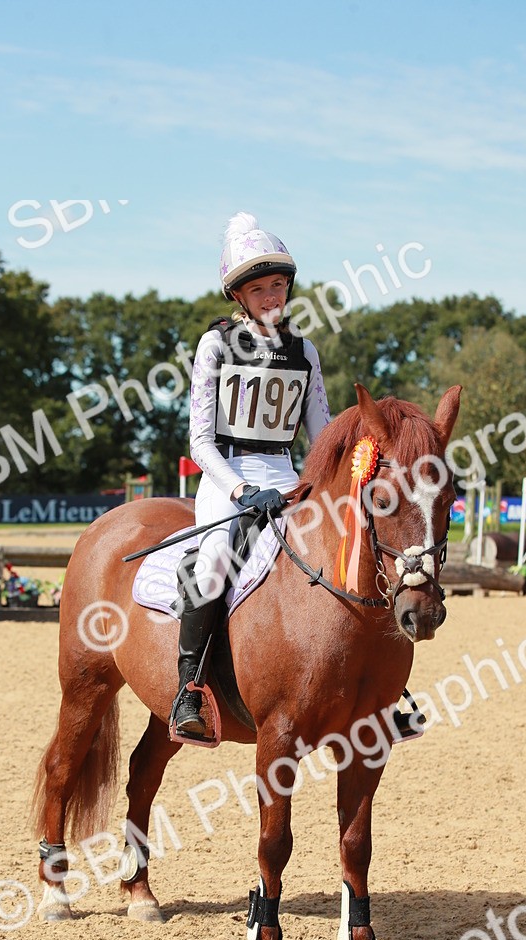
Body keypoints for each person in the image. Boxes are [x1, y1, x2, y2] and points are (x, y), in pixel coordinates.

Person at [172, 212, 331, 737]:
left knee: (348, 548)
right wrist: (241, 491)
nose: (271, 297)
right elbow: (199, 440)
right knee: (215, 558)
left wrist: (314, 483)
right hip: (229, 477)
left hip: (288, 478)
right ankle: (188, 691)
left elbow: (322, 436)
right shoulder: (214, 345)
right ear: (238, 296)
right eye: (259, 289)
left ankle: (383, 688)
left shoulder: (303, 350)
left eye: (278, 286)